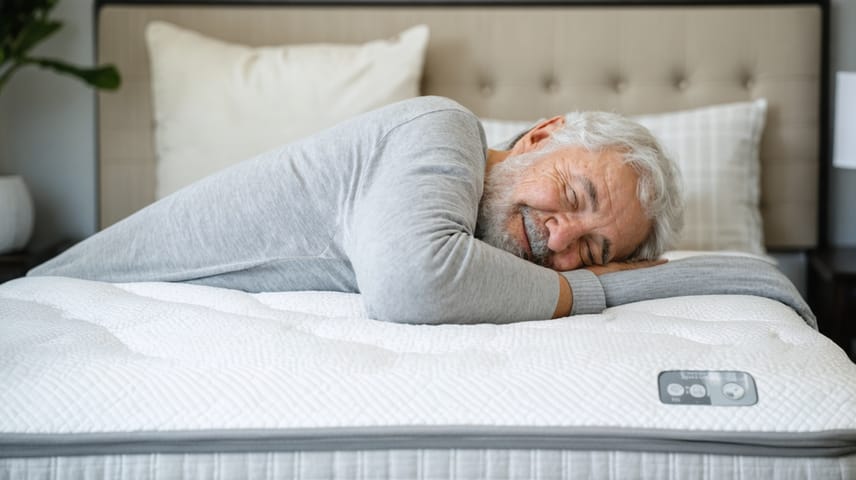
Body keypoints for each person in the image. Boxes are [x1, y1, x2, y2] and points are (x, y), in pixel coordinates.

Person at [30, 96, 683, 324]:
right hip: (64, 297)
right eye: (573, 197)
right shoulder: (443, 130)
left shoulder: (475, 241)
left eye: (592, 252)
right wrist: (587, 289)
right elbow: (413, 282)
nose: (561, 237)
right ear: (539, 136)